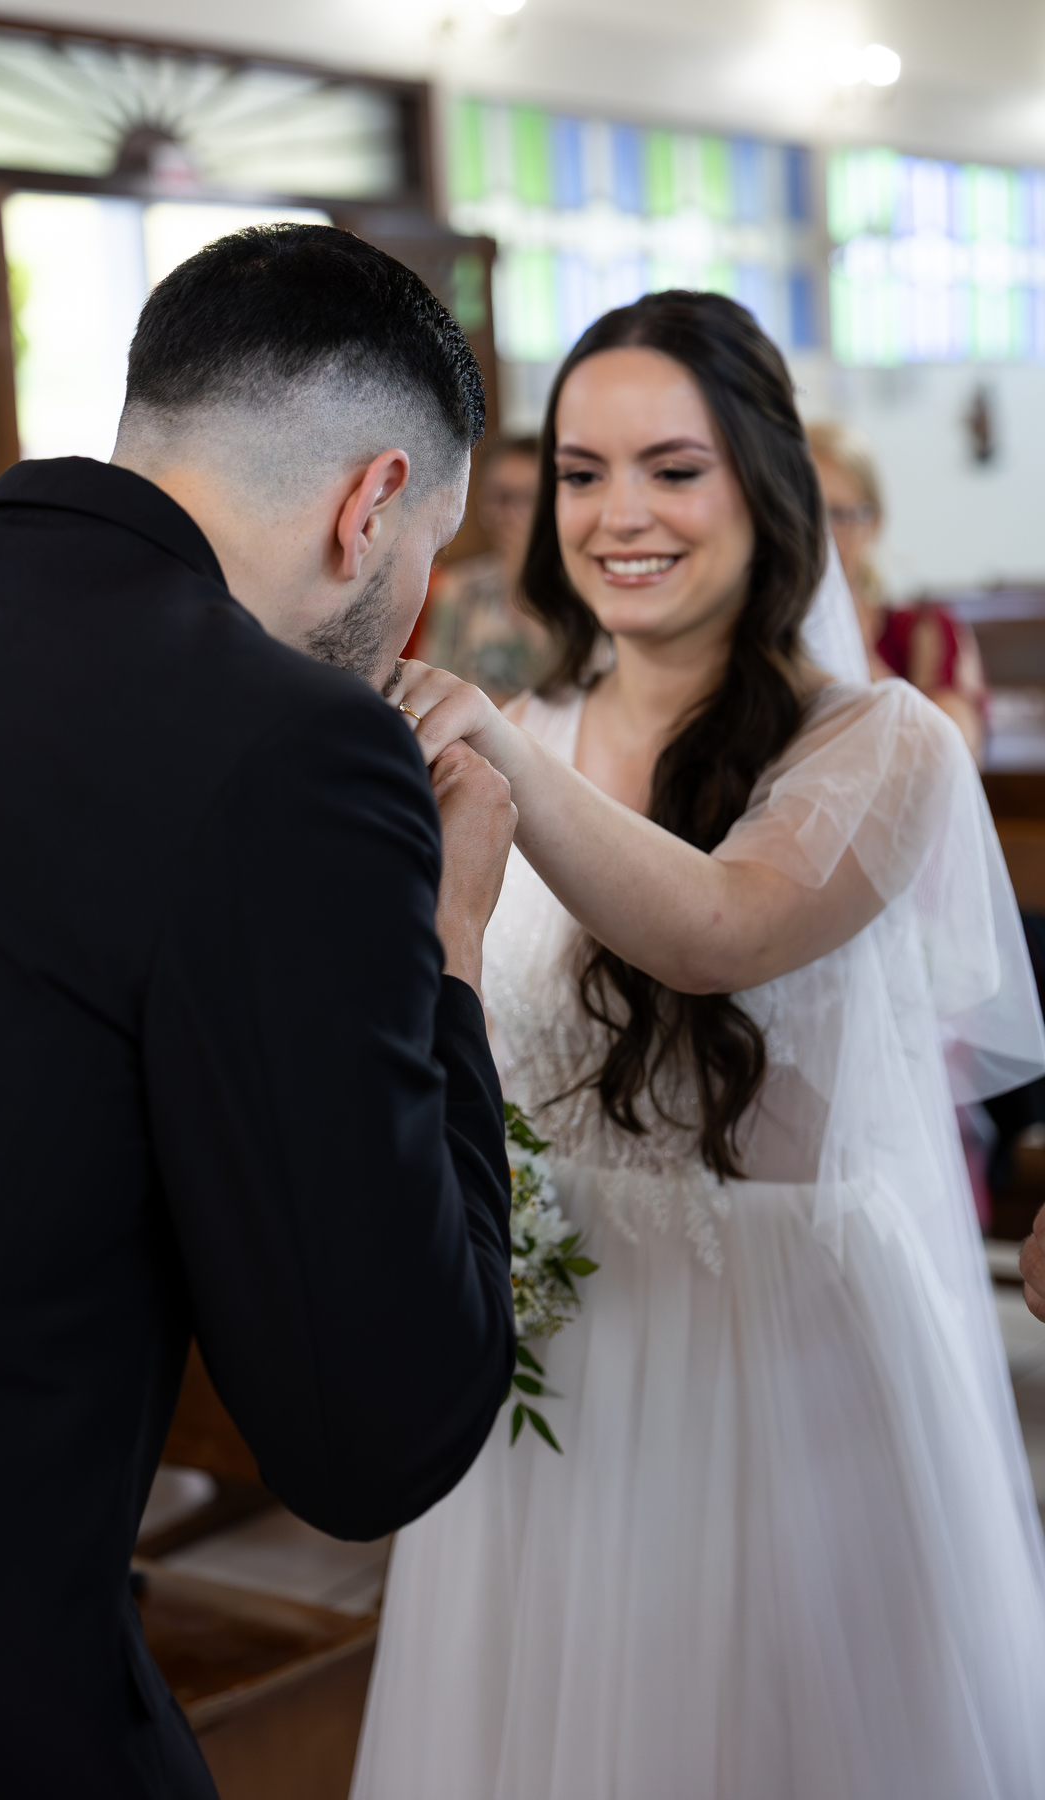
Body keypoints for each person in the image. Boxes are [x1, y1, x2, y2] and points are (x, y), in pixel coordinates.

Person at [0, 225, 519, 1800]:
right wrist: (452, 944)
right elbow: (377, 1430)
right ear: (372, 504)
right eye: (430, 547)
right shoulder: (292, 747)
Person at [352, 291, 1045, 1800]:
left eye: (673, 468)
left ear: (765, 480)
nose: (620, 515)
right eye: (582, 472)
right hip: (552, 1344)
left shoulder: (882, 740)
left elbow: (723, 928)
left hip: (772, 1353)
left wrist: (498, 754)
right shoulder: (527, 722)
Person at [808, 420, 986, 757]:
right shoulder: (757, 632)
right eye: (806, 515)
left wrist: (849, 643)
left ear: (872, 524)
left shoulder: (923, 629)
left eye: (839, 515)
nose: (821, 540)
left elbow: (954, 752)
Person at [419, 436, 552, 703]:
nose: (510, 513)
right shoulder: (458, 587)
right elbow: (430, 683)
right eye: (500, 498)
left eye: (529, 498)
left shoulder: (584, 588)